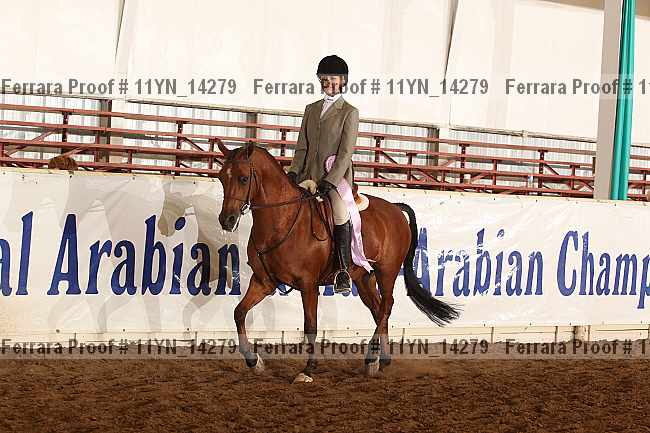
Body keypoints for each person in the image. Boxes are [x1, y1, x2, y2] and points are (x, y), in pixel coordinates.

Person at [287, 54, 359, 294]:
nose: (328, 82)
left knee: (340, 213)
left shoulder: (349, 112)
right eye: (324, 78)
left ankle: (343, 271)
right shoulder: (311, 109)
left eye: (333, 78)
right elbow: (302, 147)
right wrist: (293, 172)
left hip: (335, 180)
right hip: (307, 176)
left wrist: (330, 181)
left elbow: (345, 153)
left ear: (343, 81)